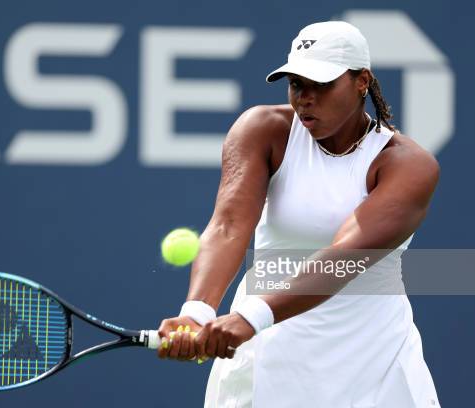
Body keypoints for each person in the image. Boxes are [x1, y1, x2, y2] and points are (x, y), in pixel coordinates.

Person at [157, 21, 440, 407]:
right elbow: (228, 226)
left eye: (321, 85)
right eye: (296, 84)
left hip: (374, 365)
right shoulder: (263, 130)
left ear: (362, 81)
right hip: (269, 357)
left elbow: (346, 257)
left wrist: (250, 316)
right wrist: (197, 311)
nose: (305, 98)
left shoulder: (408, 165)